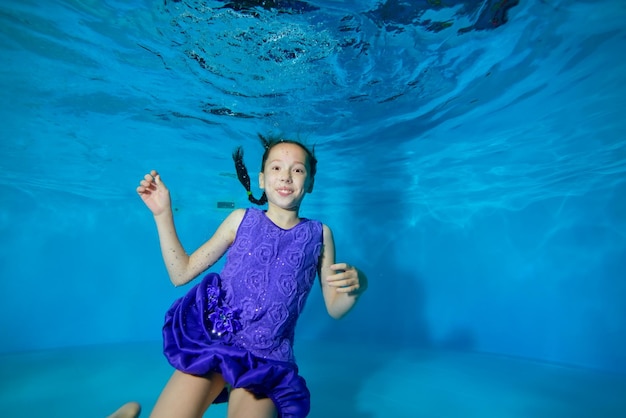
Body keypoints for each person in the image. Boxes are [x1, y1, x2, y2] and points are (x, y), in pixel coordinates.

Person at [129, 134, 367, 418]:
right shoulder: (241, 220)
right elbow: (181, 273)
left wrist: (357, 286)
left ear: (311, 182)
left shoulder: (320, 235)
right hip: (215, 343)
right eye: (277, 168)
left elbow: (335, 308)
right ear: (262, 180)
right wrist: (162, 213)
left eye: (298, 170)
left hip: (268, 360)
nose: (286, 176)